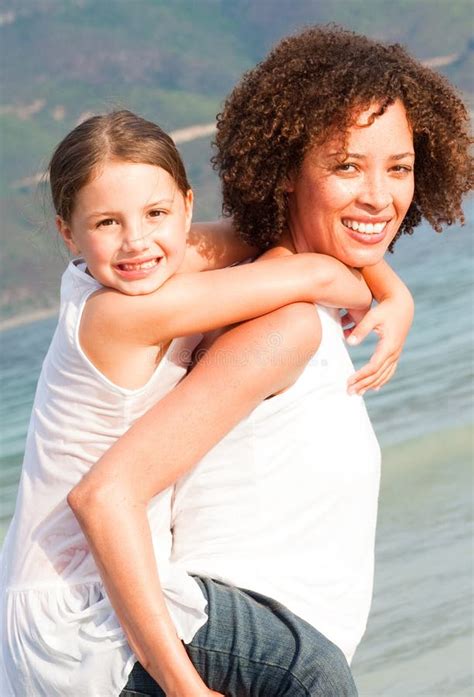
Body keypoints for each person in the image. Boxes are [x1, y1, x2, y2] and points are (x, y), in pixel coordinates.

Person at [64, 27, 471, 697]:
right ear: (286, 167)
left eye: (397, 167)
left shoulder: (301, 300)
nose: (379, 195)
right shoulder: (283, 322)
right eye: (346, 165)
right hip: (246, 660)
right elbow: (111, 492)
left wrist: (390, 288)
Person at [0, 107, 413, 697]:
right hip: (76, 611)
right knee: (306, 670)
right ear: (69, 234)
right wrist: (185, 689)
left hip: (65, 603)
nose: (138, 240)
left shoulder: (137, 268)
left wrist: (390, 288)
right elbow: (322, 277)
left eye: (156, 213)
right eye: (108, 222)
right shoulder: (120, 311)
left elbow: (287, 236)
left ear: (187, 208)